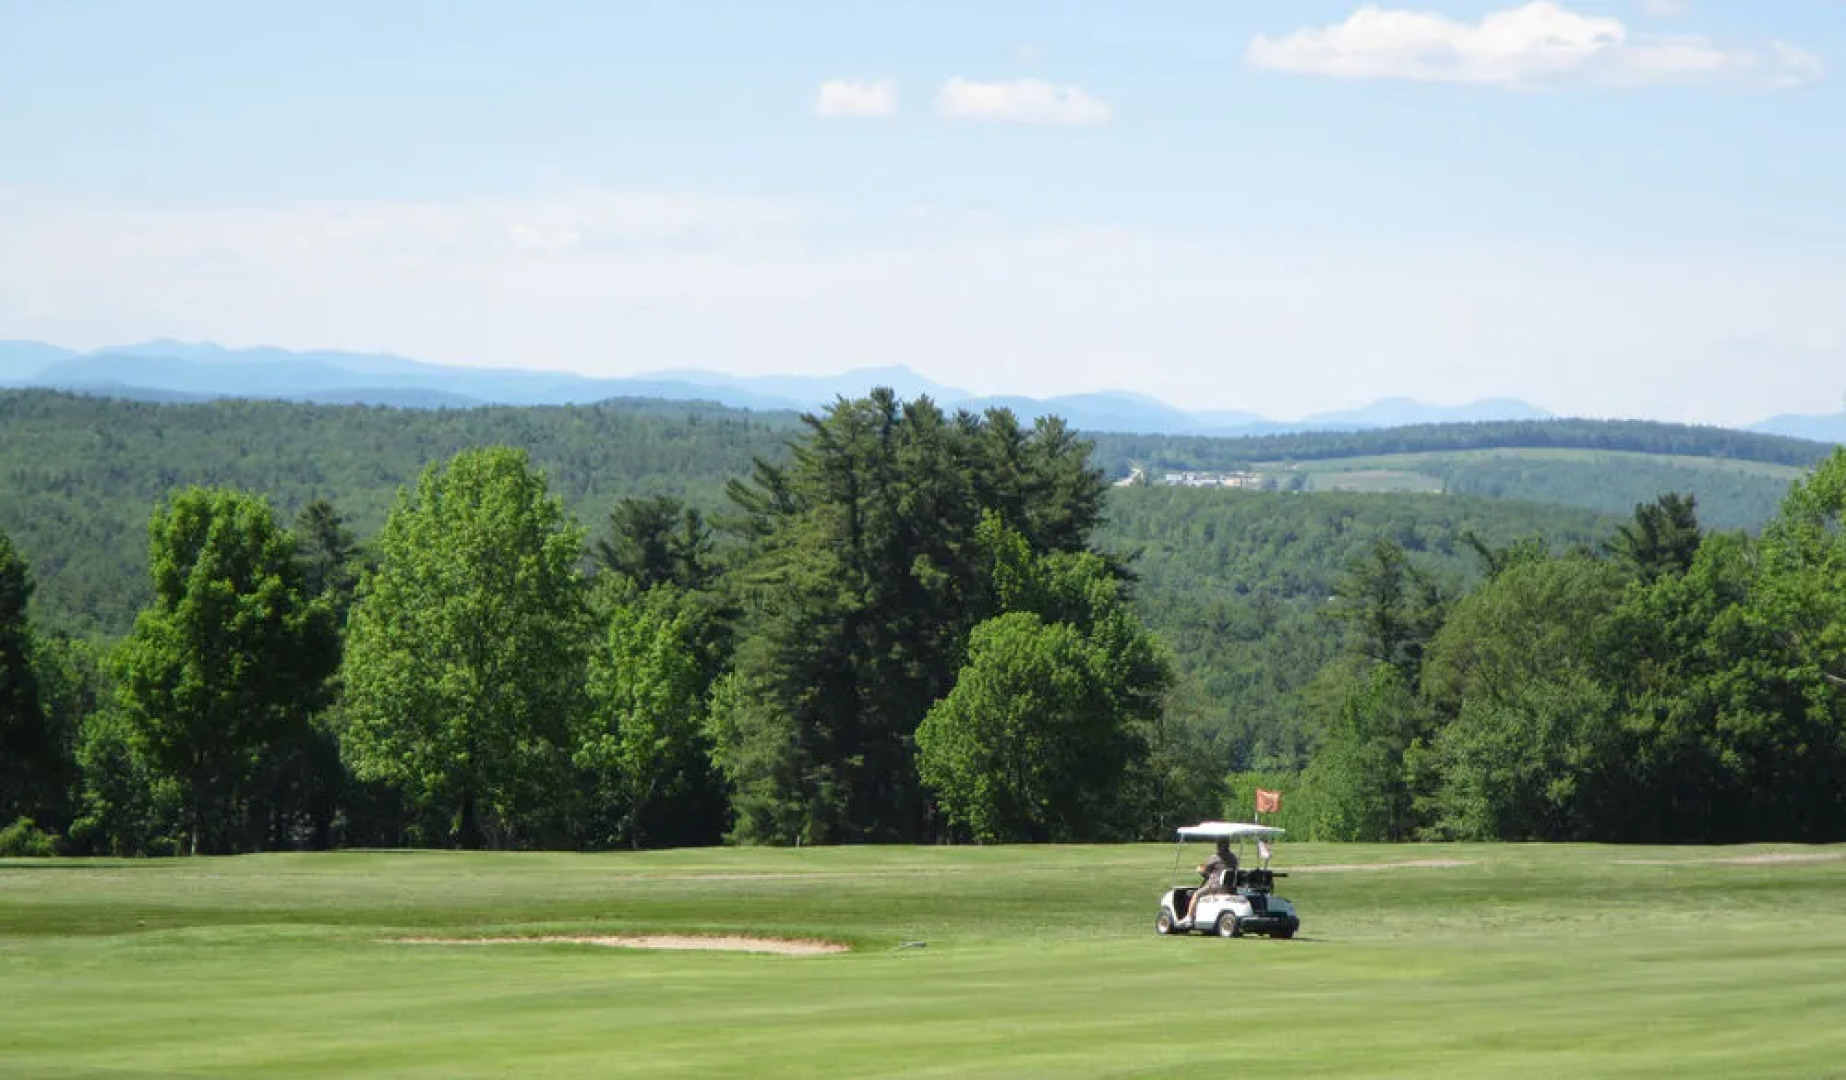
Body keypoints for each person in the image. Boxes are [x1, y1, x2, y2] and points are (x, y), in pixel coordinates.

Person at [1181, 839, 1238, 926]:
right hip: (1229, 887)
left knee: (1196, 894)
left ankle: (1189, 917)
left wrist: (1198, 869)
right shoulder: (1234, 858)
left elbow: (1203, 870)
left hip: (1214, 886)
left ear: (1219, 846)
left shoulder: (1215, 857)